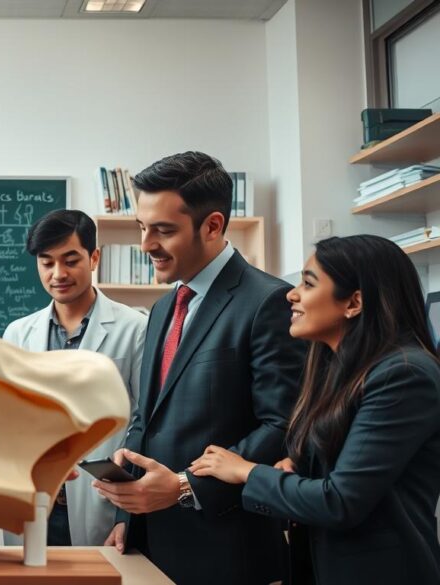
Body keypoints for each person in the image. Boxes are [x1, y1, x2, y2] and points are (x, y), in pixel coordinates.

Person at [94, 151, 305, 585]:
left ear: (212, 226)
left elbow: (282, 425)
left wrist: (187, 485)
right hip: (149, 543)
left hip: (227, 551)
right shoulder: (161, 308)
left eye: (163, 230)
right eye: (142, 228)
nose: (145, 245)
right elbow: (145, 417)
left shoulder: (269, 302)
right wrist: (126, 512)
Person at [190, 235, 440, 585]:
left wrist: (247, 471)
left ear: (353, 302)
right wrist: (300, 467)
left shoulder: (404, 375)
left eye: (307, 283)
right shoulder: (336, 368)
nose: (291, 294)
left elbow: (339, 501)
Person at [2, 210, 145, 546]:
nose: (58, 274)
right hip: (35, 500)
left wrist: (129, 516)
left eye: (70, 260)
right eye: (46, 262)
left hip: (102, 501)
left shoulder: (134, 328)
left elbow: (145, 421)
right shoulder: (18, 333)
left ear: (94, 257)